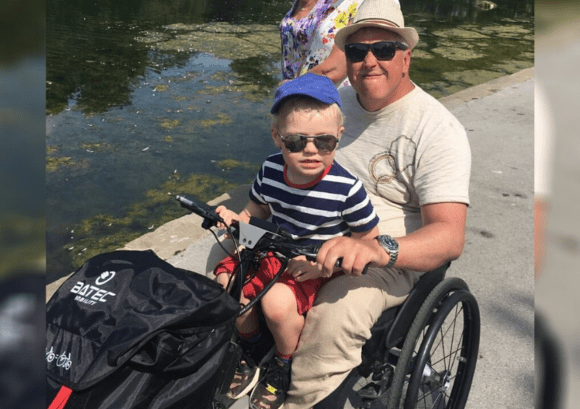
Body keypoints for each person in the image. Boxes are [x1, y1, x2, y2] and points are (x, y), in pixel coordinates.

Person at [281, 0, 472, 407]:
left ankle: (306, 399)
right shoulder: (334, 106)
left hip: (385, 257)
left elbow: (449, 236)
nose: (370, 60)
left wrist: (377, 247)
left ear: (406, 57)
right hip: (309, 230)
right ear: (345, 58)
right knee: (230, 261)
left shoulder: (436, 129)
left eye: (384, 49)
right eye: (357, 51)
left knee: (335, 315)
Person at [212, 73, 380, 408]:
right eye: (296, 142)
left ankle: (283, 364)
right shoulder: (271, 170)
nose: (310, 151)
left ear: (339, 138)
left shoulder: (346, 188)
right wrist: (235, 222)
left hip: (314, 262)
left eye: (324, 142)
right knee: (228, 281)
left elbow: (367, 241)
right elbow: (255, 213)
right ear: (277, 137)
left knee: (275, 303)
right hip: (273, 247)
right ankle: (252, 345)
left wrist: (323, 267)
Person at [280, 0, 361, 86]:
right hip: (304, 88)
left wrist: (294, 85)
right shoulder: (336, 5)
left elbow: (336, 70)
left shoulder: (361, 6)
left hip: (330, 91)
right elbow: (310, 52)